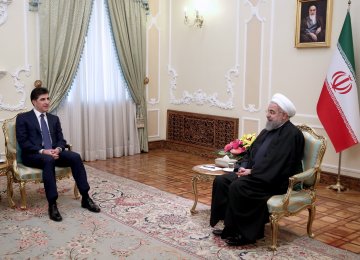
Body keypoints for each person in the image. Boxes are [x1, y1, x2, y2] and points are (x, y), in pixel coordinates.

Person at [210, 93, 305, 246]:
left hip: (274, 181)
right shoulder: (268, 130)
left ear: (284, 115)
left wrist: (252, 172)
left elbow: (279, 165)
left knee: (238, 187)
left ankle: (246, 234)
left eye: (272, 112)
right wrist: (243, 167)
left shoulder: (292, 135)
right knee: (222, 181)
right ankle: (230, 226)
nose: (267, 115)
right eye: (268, 111)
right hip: (255, 174)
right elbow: (251, 152)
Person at [16, 87, 100, 222]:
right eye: (42, 99)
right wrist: (43, 151)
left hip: (54, 152)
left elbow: (61, 140)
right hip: (34, 155)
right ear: (34, 102)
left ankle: (85, 197)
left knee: (75, 157)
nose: (47, 102)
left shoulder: (54, 118)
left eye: (48, 98)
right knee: (48, 160)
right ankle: (52, 204)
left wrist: (59, 149)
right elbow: (23, 142)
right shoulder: (23, 118)